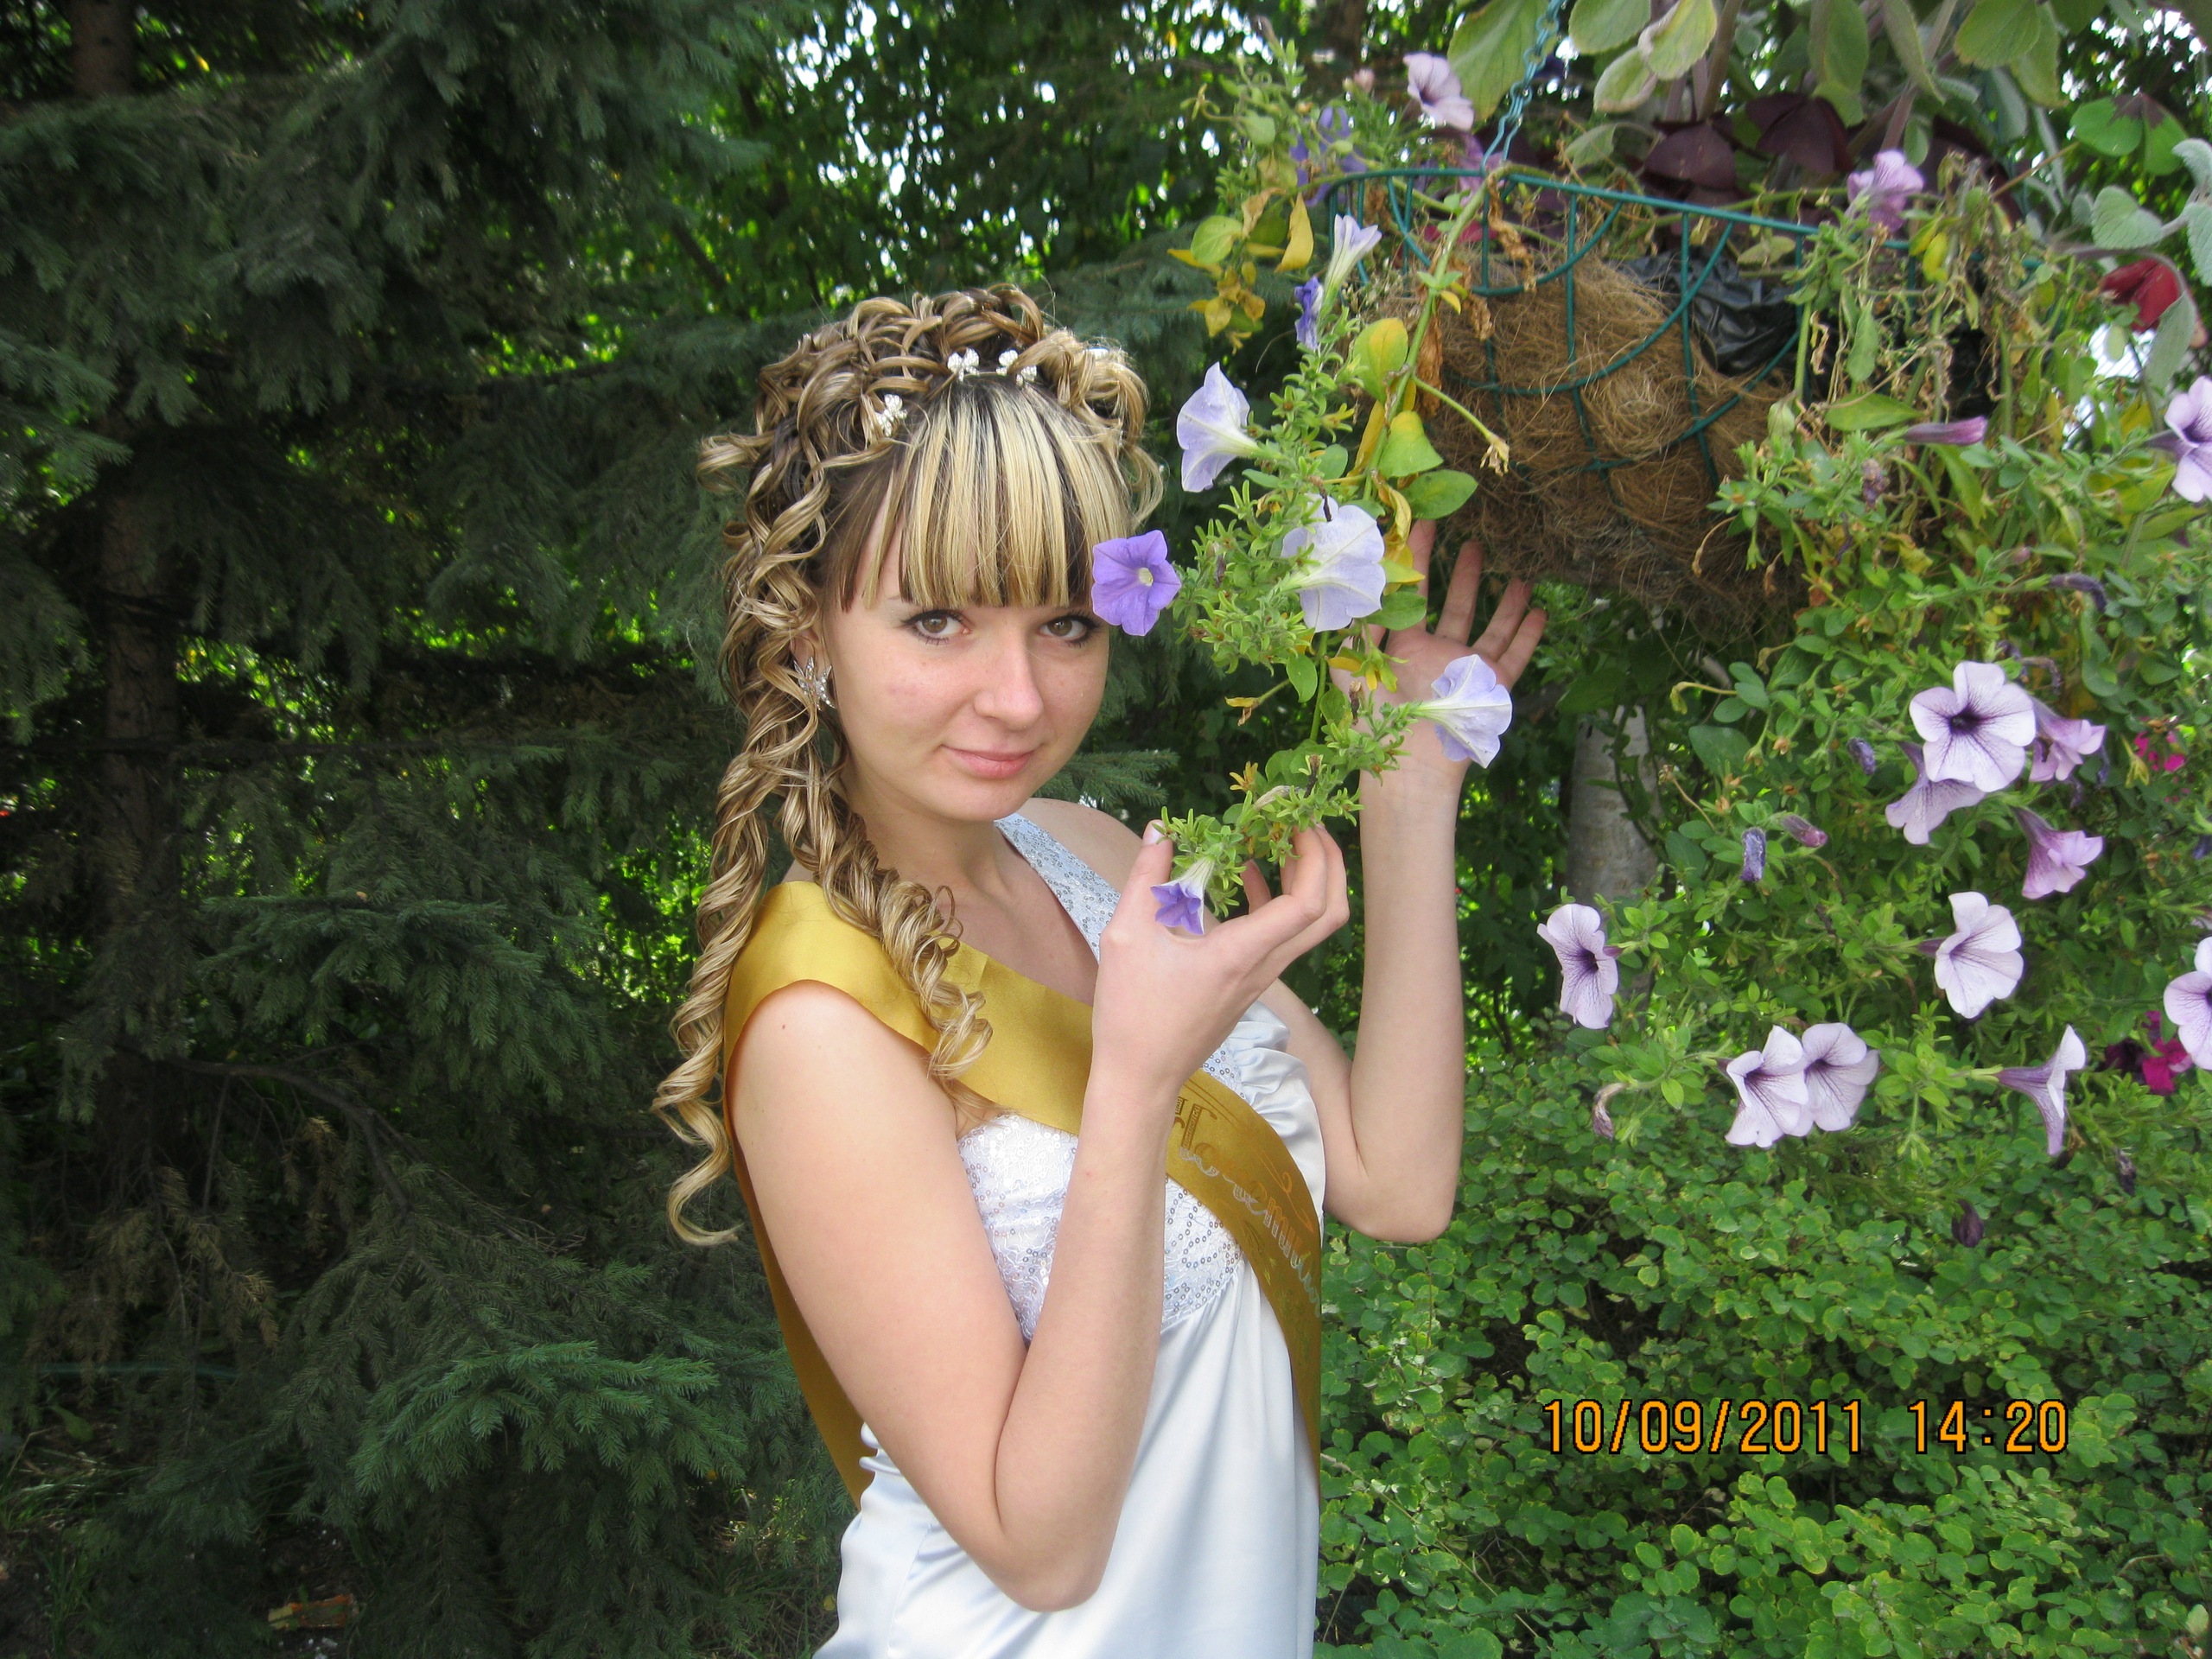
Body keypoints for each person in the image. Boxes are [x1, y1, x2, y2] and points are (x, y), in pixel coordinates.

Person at [655, 286, 1546, 1657]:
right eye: (938, 621)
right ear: (810, 633)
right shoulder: (824, 1015)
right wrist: (1134, 1079)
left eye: (1065, 623)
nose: (1019, 697)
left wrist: (1413, 783)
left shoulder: (1090, 852)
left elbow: (1398, 1182)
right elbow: (1042, 1545)